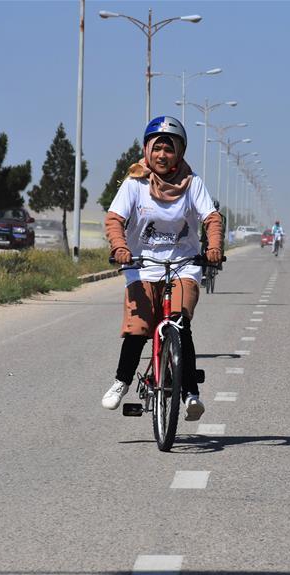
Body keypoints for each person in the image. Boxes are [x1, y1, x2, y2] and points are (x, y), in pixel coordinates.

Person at [102, 115, 224, 420]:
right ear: (147, 150)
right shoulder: (134, 183)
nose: (162, 155)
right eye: (157, 148)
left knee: (180, 325)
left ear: (179, 152)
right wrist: (120, 247)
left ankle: (190, 395)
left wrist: (213, 248)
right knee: (137, 329)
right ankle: (121, 382)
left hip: (183, 266)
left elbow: (211, 218)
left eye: (169, 149)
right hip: (142, 267)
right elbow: (115, 219)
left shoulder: (192, 183)